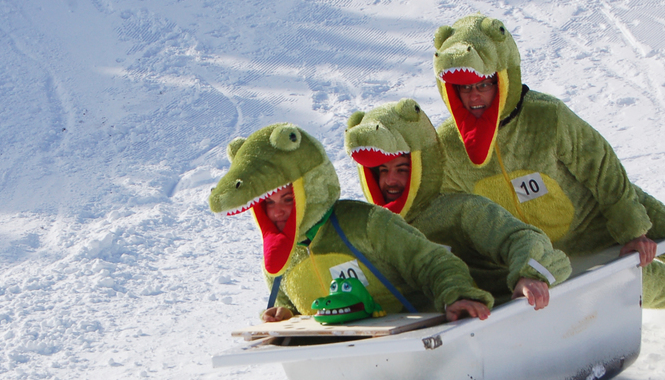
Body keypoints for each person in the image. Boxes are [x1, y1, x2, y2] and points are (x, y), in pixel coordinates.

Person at [430, 13, 665, 311]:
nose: (474, 97)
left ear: (503, 78)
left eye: (483, 84)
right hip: (551, 252)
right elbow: (444, 212)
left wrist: (633, 229)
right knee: (640, 286)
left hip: (602, 212)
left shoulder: (546, 117)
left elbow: (601, 167)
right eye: (464, 88)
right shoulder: (449, 146)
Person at [208, 122, 496, 323]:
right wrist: (285, 313)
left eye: (288, 198)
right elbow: (287, 302)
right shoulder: (279, 260)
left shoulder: (365, 223)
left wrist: (455, 295)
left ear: (308, 190)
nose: (279, 212)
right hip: (349, 365)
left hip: (419, 345)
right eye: (269, 203)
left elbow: (432, 261)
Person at [344, 98, 571, 308]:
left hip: (496, 316)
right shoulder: (373, 230)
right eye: (382, 171)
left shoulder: (461, 211)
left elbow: (521, 237)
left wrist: (529, 275)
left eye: (401, 169)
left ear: (421, 166)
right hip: (422, 328)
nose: (390, 181)